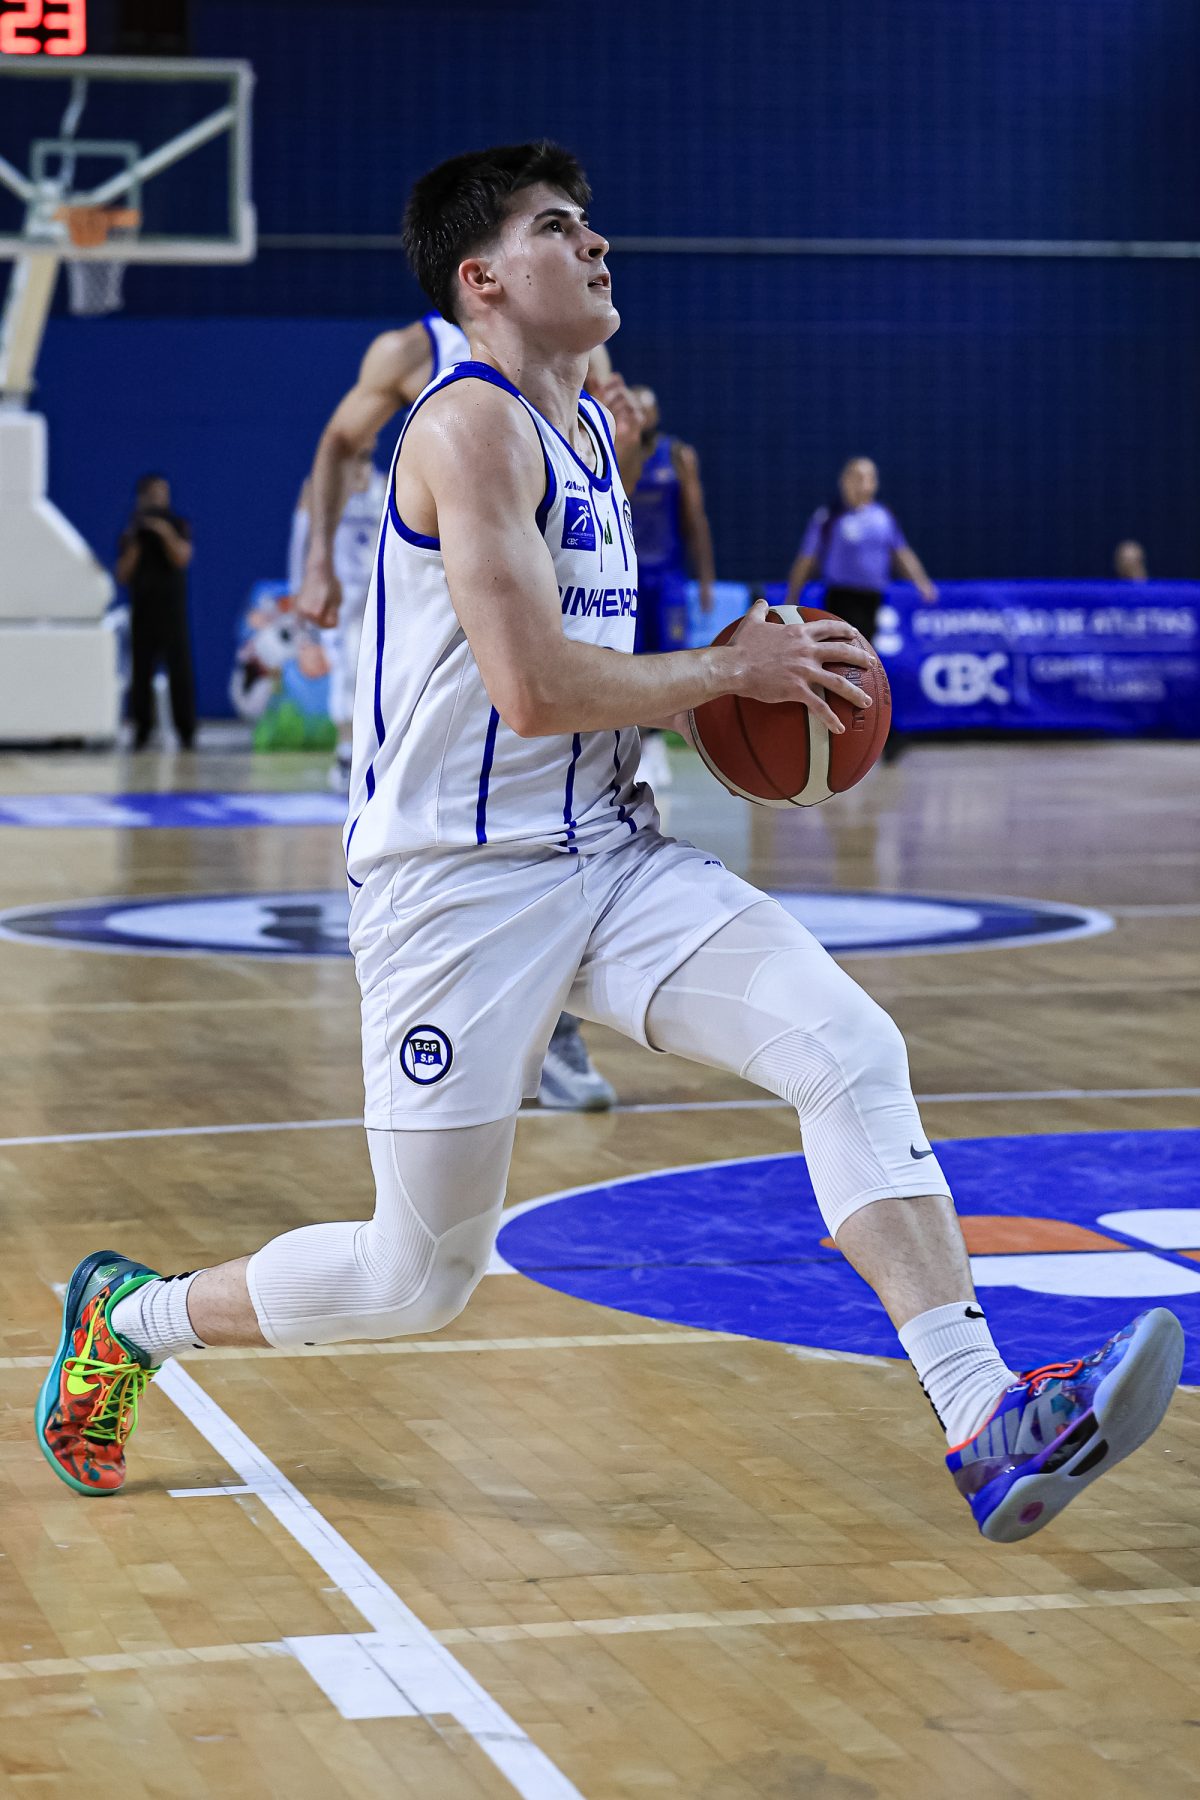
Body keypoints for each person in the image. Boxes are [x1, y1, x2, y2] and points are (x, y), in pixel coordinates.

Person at [40, 142, 1182, 1546]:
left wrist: (726, 686)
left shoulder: (590, 425)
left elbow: (593, 669)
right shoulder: (465, 427)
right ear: (481, 277)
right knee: (415, 1278)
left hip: (610, 854)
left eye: (591, 224)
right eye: (558, 227)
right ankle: (131, 1317)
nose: (595, 244)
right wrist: (730, 673)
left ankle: (984, 1414)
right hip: (456, 890)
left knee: (849, 1047)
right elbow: (531, 689)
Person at [293, 309, 624, 1108]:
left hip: (547, 587)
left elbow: (601, 494)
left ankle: (551, 1032)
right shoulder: (413, 352)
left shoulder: (573, 347)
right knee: (464, 807)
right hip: (447, 597)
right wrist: (319, 560)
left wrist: (631, 446)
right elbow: (339, 441)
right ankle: (451, 1023)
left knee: (574, 805)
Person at [627, 385, 716, 790]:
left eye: (648, 409)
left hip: (668, 576)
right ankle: (640, 743)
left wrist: (705, 578)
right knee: (632, 662)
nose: (643, 416)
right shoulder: (615, 450)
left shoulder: (677, 455)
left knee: (670, 659)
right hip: (629, 576)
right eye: (637, 409)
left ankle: (659, 742)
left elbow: (695, 518)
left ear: (656, 414)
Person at [287, 440, 387, 790]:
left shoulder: (385, 484)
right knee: (345, 671)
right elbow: (301, 543)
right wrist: (300, 594)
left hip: (374, 597)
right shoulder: (318, 487)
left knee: (372, 674)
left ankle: (370, 752)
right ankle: (346, 751)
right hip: (338, 596)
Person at [784, 457, 938, 643]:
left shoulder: (883, 517)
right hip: (841, 596)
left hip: (873, 596)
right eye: (857, 477)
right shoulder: (829, 517)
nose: (862, 483)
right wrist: (793, 594)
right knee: (844, 647)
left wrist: (922, 583)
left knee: (866, 646)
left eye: (868, 478)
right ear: (844, 481)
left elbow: (901, 552)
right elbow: (807, 559)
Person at [115, 473, 196, 750]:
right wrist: (137, 542)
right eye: (154, 494)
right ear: (142, 497)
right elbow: (122, 574)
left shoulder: (177, 525)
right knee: (141, 673)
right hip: (143, 610)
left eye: (164, 493)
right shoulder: (133, 531)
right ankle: (141, 731)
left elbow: (182, 557)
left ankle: (186, 731)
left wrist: (163, 532)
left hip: (172, 611)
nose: (160, 499)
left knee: (180, 672)